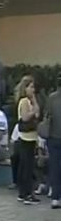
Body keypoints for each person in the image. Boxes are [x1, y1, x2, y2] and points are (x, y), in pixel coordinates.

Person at [16, 77, 40, 204]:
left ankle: (27, 192)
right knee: (26, 166)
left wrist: (34, 100)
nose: (33, 89)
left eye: (33, 87)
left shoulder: (30, 101)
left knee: (30, 166)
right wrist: (33, 112)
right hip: (25, 137)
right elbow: (25, 118)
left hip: (32, 137)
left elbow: (38, 113)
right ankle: (25, 193)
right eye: (30, 87)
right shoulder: (24, 101)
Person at [46, 73, 61, 209]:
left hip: (53, 136)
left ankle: (55, 197)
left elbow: (47, 116)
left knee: (55, 167)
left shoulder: (51, 98)